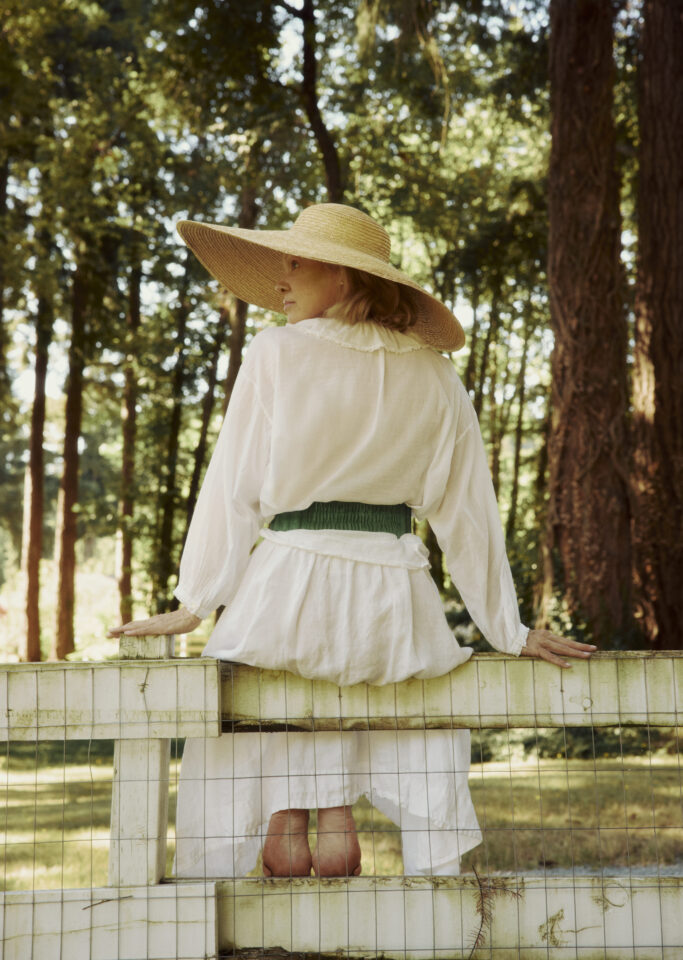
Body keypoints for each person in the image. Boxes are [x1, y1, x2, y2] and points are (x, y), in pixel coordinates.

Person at [109, 202, 595, 879]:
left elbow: (234, 487)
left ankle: (280, 902)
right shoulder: (436, 374)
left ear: (342, 275)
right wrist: (504, 627)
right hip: (392, 596)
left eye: (295, 262)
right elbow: (466, 512)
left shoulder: (275, 354)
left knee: (273, 792)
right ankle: (349, 878)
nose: (280, 278)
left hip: (289, 586)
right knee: (340, 794)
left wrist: (197, 600)